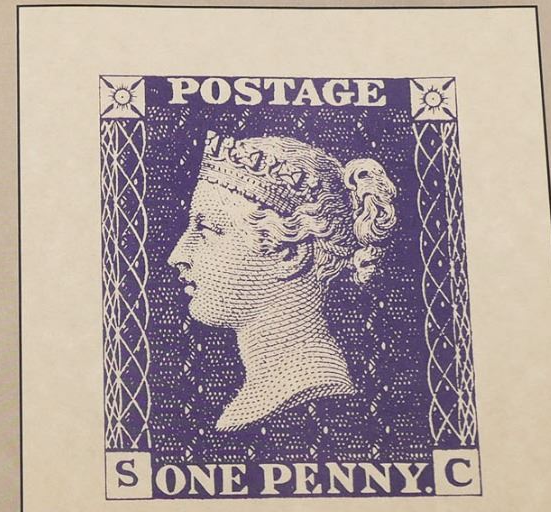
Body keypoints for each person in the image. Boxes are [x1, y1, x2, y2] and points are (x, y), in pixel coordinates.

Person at [165, 131, 399, 430]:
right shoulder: (258, 397)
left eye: (208, 229)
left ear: (290, 255)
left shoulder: (313, 391)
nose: (178, 256)